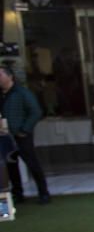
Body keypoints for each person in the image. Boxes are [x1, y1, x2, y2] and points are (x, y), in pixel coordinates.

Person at [0, 66, 50, 204]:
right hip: (4, 135)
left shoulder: (21, 93)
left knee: (32, 163)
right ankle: (18, 193)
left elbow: (35, 111)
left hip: (21, 135)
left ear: (10, 77)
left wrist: (25, 129)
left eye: (0, 75)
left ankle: (43, 192)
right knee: (10, 165)